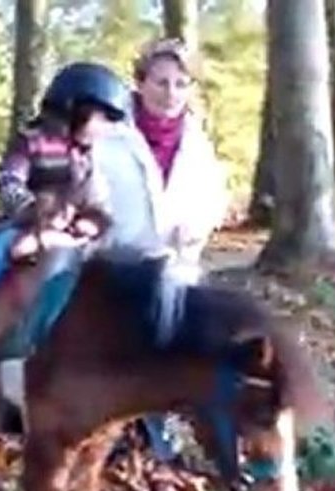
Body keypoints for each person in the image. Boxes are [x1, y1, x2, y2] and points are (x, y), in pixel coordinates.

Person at [0, 62, 131, 359]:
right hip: (23, 224)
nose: (106, 128)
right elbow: (9, 180)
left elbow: (97, 200)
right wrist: (33, 211)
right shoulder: (33, 140)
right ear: (76, 108)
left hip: (66, 233)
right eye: (103, 117)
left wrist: (94, 221)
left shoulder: (87, 158)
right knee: (1, 250)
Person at [95, 38, 229, 461]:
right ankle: (108, 430)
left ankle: (164, 436)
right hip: (114, 264)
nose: (170, 94)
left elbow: (214, 200)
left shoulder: (198, 144)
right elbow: (87, 192)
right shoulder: (110, 135)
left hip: (177, 267)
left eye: (180, 84)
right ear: (140, 83)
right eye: (161, 82)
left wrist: (198, 225)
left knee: (184, 345)